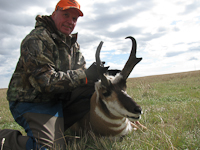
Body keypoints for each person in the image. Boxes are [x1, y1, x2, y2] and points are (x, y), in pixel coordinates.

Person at [0, 0, 108, 149]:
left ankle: (68, 129)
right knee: (51, 148)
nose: (70, 22)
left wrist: (96, 77)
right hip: (32, 101)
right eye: (66, 15)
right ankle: (6, 138)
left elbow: (82, 74)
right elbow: (45, 83)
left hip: (58, 98)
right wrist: (84, 75)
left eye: (74, 19)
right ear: (54, 13)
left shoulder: (72, 44)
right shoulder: (36, 39)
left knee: (97, 90)